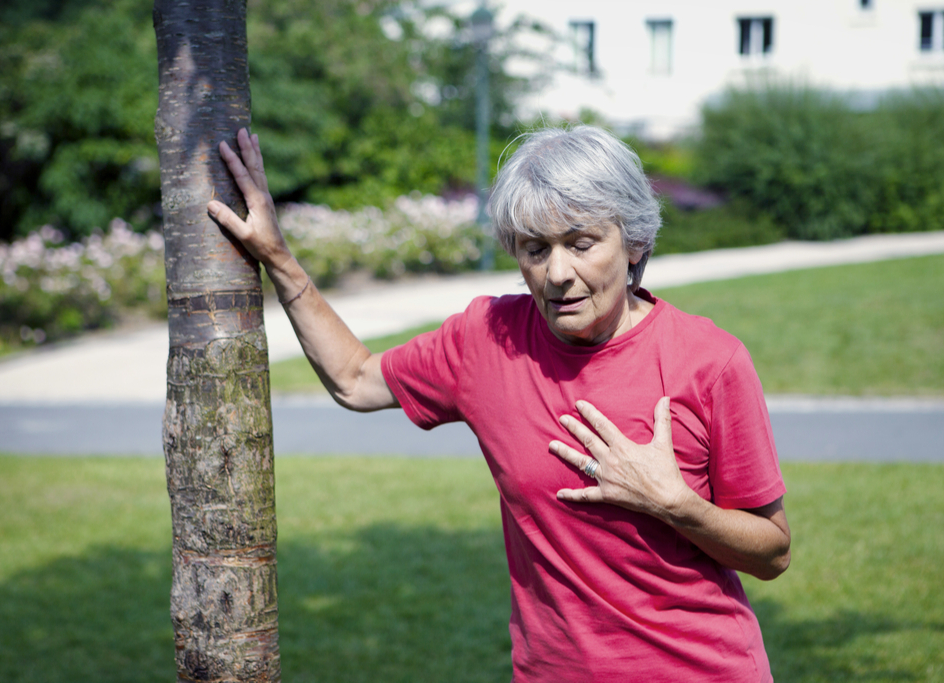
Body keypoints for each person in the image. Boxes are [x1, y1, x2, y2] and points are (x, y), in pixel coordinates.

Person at [208, 125, 791, 682]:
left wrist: (675, 504)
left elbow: (772, 553)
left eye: (581, 244)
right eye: (536, 248)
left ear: (634, 240)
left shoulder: (709, 361)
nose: (557, 273)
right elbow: (355, 379)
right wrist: (277, 257)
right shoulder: (488, 339)